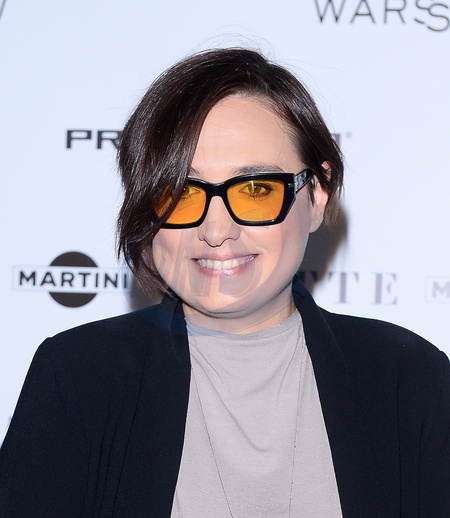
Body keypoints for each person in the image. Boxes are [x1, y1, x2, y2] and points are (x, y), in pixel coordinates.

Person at [0, 48, 449, 518]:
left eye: (255, 190)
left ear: (316, 194)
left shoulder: (409, 380)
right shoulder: (78, 377)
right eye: (180, 192)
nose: (215, 231)